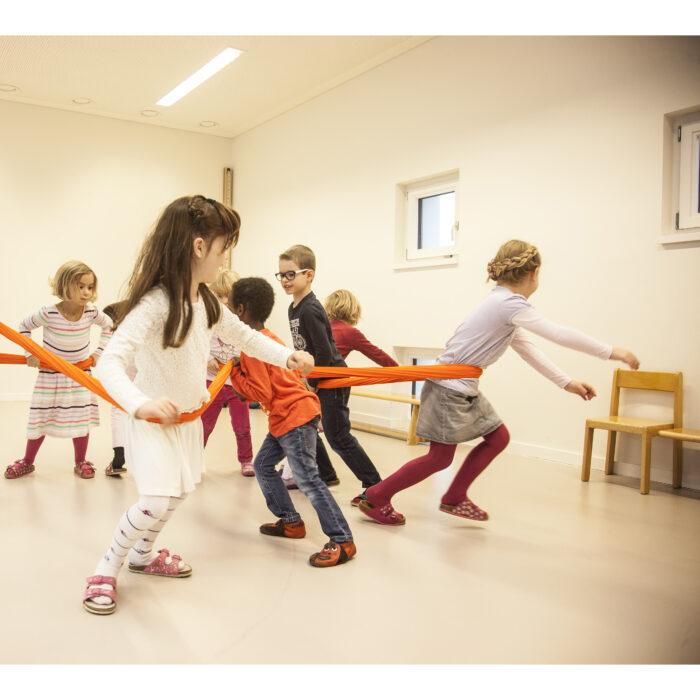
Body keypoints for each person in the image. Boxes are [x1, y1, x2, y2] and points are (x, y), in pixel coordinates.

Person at [82, 195, 314, 615]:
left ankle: (144, 554)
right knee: (153, 499)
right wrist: (140, 404)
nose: (226, 258)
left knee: (176, 496)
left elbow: (245, 337)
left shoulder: (206, 301)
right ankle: (106, 565)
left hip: (187, 420)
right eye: (225, 247)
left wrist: (287, 357)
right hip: (154, 422)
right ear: (199, 246)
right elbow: (109, 364)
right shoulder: (155, 303)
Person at [359, 239, 640, 526]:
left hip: (462, 387)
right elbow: (558, 333)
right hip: (448, 388)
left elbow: (528, 348)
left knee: (498, 437)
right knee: (440, 458)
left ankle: (454, 496)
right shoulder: (507, 304)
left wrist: (566, 382)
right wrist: (612, 352)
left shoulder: (502, 305)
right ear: (533, 273)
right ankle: (376, 496)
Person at [228, 277, 356, 567]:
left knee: (309, 479)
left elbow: (260, 392)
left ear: (240, 309)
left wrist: (236, 373)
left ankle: (342, 539)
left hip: (293, 417)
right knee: (262, 465)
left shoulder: (252, 348)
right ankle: (291, 522)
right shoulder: (268, 338)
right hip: (286, 417)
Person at [278, 245, 382, 506]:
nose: (285, 281)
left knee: (339, 437)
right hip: (316, 379)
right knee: (308, 426)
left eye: (291, 274)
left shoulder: (311, 309)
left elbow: (323, 352)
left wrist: (311, 384)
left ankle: (375, 485)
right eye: (280, 275)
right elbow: (305, 349)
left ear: (309, 274)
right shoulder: (294, 308)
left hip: (331, 379)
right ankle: (325, 473)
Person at [4, 261, 112, 480]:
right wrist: (30, 353)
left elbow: (109, 326)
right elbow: (23, 327)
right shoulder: (48, 313)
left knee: (80, 419)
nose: (86, 292)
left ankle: (80, 461)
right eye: (80, 286)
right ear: (65, 286)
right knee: (40, 417)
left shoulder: (91, 313)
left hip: (79, 375)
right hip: (50, 375)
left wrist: (98, 354)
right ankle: (27, 462)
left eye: (90, 287)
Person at [200, 268, 255, 477]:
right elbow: (199, 343)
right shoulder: (210, 319)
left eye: (228, 296)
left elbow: (250, 345)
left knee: (242, 426)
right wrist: (208, 359)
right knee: (205, 424)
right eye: (219, 296)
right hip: (212, 381)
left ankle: (246, 460)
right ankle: (195, 459)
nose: (224, 301)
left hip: (237, 383)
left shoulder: (243, 322)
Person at [324, 289, 398, 367]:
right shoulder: (348, 332)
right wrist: (397, 367)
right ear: (353, 309)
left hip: (313, 375)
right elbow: (376, 354)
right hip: (324, 376)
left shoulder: (321, 328)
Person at [102, 302, 133, 478]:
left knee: (118, 409)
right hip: (144, 362)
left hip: (125, 362)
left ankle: (118, 457)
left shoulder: (116, 311)